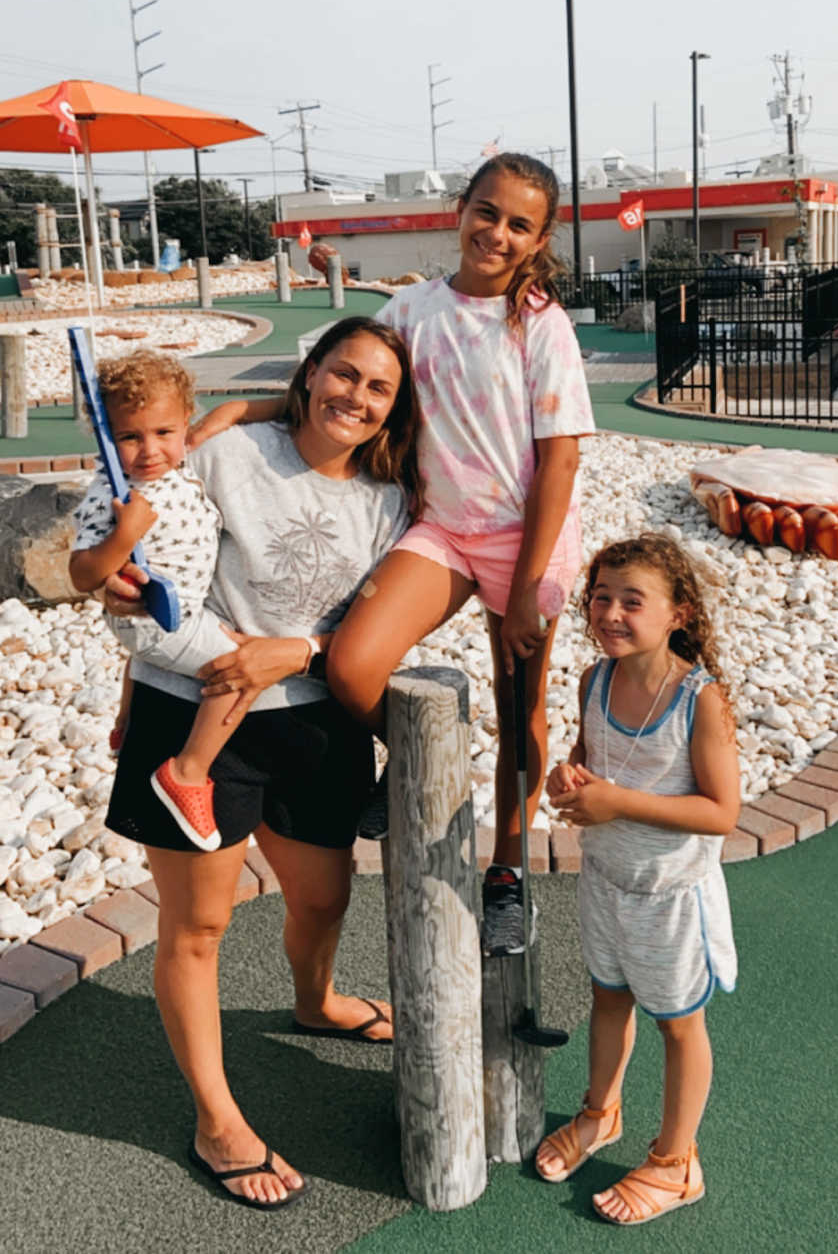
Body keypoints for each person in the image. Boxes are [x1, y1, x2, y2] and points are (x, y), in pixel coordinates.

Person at [193, 153, 596, 957]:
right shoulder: (413, 309)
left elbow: (561, 462)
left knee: (523, 710)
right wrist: (250, 404)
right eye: (487, 212)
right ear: (461, 209)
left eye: (520, 224)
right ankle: (417, 760)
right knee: (351, 664)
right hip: (444, 530)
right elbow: (351, 382)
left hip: (528, 544)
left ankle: (508, 874)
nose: (498, 233)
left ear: (541, 237)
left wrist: (524, 591)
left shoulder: (539, 322)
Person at [99, 317, 421, 1209]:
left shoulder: (391, 499)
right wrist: (120, 611)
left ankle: (314, 1000)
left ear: (393, 407)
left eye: (377, 387)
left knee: (324, 897)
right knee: (197, 928)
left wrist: (301, 654)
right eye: (342, 374)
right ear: (308, 372)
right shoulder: (225, 451)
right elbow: (148, 562)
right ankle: (216, 1117)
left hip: (315, 724)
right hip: (191, 716)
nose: (353, 397)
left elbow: (370, 627)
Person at [535, 533, 739, 1227]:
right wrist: (572, 775)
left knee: (679, 1024)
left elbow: (721, 812)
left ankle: (678, 1161)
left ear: (678, 612)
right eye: (600, 597)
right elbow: (590, 757)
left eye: (632, 601)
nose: (611, 613)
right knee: (608, 997)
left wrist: (617, 801)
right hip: (607, 882)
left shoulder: (698, 699)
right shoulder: (597, 679)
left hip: (670, 897)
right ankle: (602, 1114)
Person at [70, 350, 248, 852]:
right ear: (107, 438)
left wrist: (233, 411)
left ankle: (127, 721)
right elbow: (83, 573)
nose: (149, 450)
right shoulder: (113, 490)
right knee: (236, 671)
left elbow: (233, 412)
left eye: (164, 433)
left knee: (152, 657)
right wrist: (123, 538)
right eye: (130, 437)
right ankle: (187, 772)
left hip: (185, 608)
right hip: (150, 615)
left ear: (185, 425)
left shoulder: (182, 464)